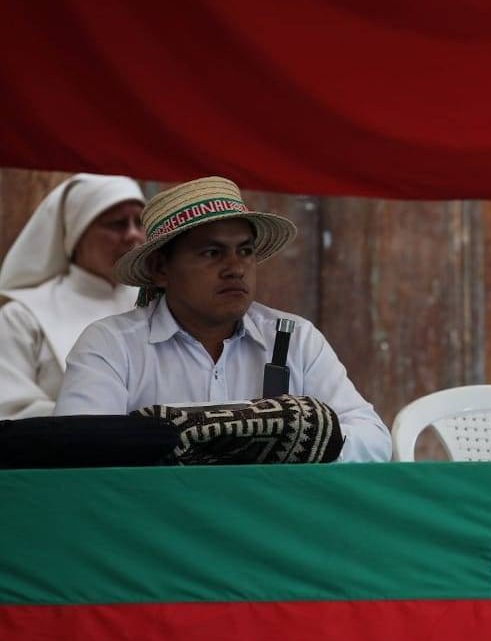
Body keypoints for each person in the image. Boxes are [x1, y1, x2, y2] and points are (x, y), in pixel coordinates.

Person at [55, 176, 391, 462]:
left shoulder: (296, 339)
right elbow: (79, 451)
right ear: (160, 269)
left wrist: (302, 443)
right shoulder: (112, 345)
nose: (235, 268)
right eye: (212, 253)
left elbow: (373, 439)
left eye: (245, 251)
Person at [0, 174, 145, 419]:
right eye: (117, 224)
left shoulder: (162, 304)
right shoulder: (22, 317)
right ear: (76, 236)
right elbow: (9, 407)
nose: (132, 235)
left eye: (139, 222)